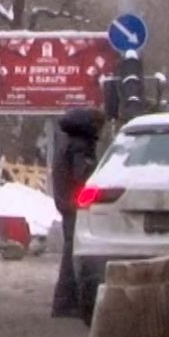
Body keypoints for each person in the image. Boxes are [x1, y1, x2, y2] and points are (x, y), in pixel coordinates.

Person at [49, 106, 104, 319]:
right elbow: (84, 175)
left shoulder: (67, 141)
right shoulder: (80, 145)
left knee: (71, 249)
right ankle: (65, 302)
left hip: (67, 202)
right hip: (77, 204)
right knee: (74, 252)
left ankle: (65, 301)